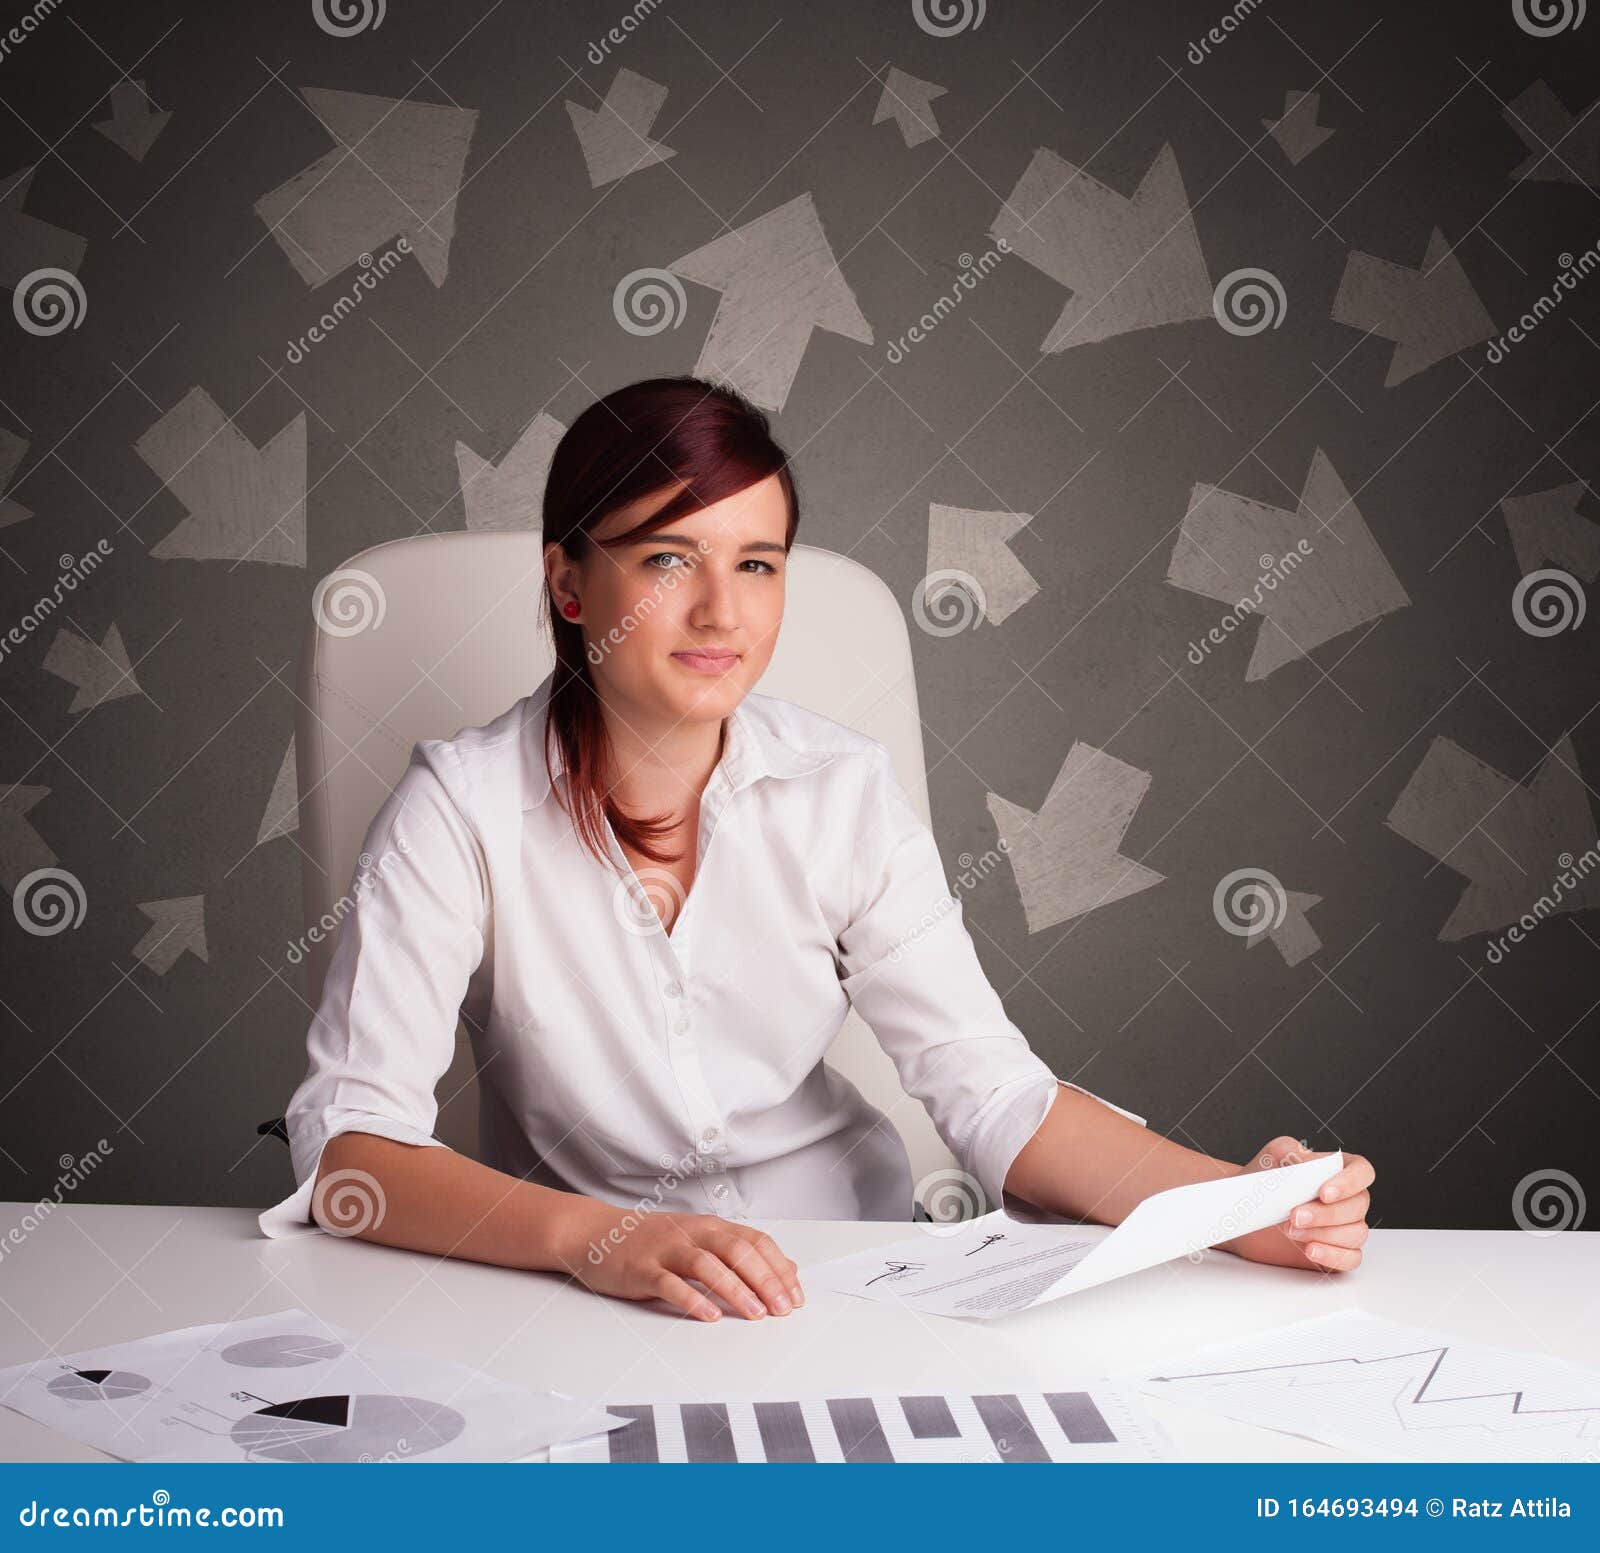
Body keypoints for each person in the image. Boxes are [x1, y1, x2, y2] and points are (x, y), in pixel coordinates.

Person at [260, 375, 1374, 1323]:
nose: (719, 612)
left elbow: (993, 1094)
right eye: (665, 559)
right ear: (567, 580)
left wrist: (1237, 1205)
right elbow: (348, 1147)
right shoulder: (457, 805)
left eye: (757, 563)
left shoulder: (841, 789)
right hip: (577, 1302)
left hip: (847, 1283)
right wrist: (603, 1241)